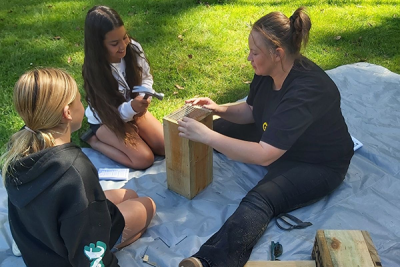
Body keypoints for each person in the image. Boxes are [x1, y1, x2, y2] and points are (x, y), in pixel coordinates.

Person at [178, 7, 354, 267]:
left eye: (255, 52)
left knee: (262, 198)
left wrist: (207, 137)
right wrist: (217, 109)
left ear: (277, 53)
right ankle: (167, 146)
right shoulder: (267, 71)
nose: (249, 57)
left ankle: (208, 261)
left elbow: (264, 155)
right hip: (277, 138)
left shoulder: (308, 90)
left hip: (317, 163)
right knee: (213, 129)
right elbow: (251, 110)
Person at [0, 68, 156, 267]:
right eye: (79, 100)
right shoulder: (75, 169)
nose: (82, 105)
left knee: (129, 194)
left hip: (38, 242)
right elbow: (90, 252)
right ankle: (119, 241)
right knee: (148, 204)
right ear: (67, 112)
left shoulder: (18, 148)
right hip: (65, 254)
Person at [81, 5, 165, 169]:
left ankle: (134, 130)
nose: (123, 46)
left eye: (124, 37)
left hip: (132, 110)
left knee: (165, 146)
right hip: (107, 119)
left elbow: (146, 77)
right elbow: (109, 113)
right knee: (144, 159)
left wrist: (144, 93)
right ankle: (95, 141)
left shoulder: (132, 48)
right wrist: (132, 108)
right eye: (114, 43)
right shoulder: (95, 71)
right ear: (99, 45)